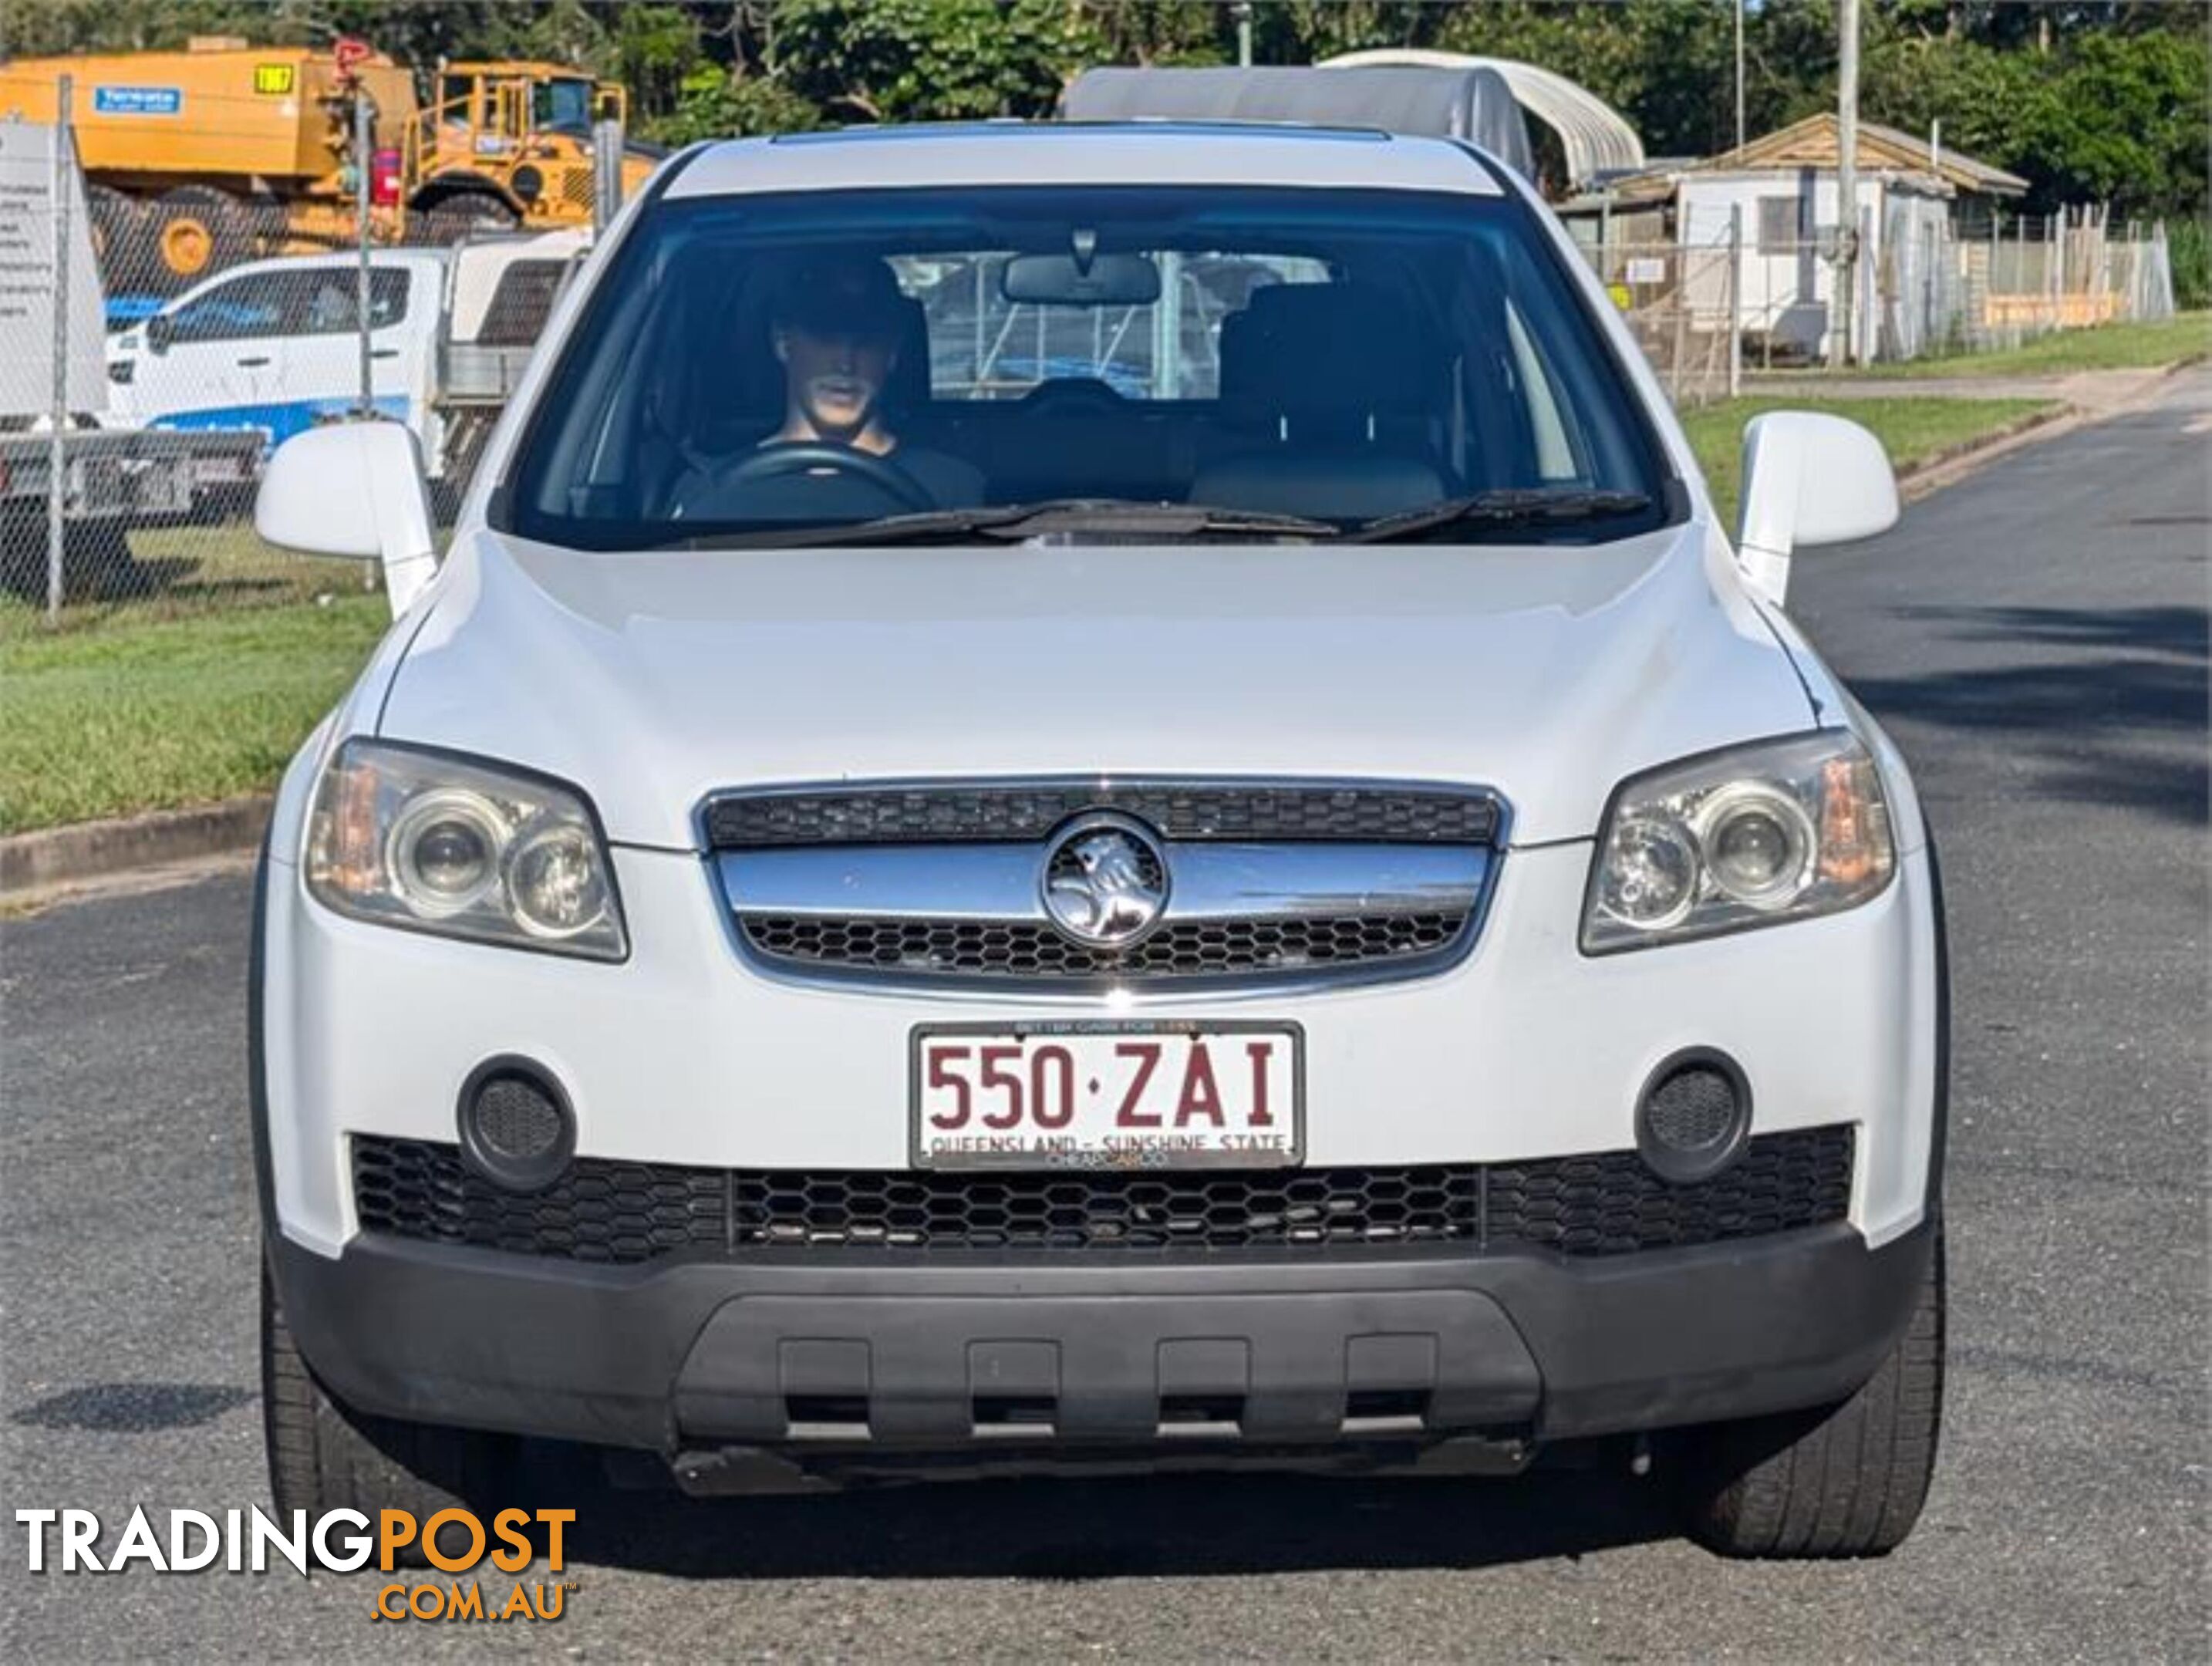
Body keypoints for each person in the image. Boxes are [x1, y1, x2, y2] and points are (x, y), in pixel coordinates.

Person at [756, 255, 984, 509]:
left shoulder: (951, 488)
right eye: (826, 337)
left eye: (866, 341)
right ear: (782, 342)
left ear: (893, 352)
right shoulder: (716, 491)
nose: (845, 363)